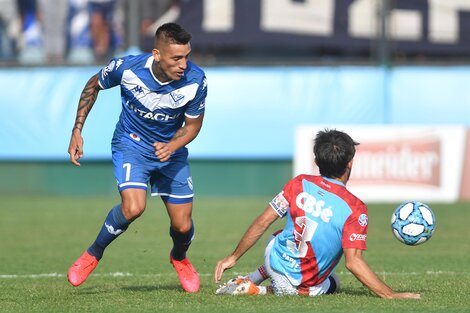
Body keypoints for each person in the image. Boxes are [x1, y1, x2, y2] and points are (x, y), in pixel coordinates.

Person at [67, 22, 207, 293]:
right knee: (133, 207)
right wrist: (77, 130)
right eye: (176, 58)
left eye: (187, 56)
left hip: (171, 152)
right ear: (157, 54)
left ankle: (179, 258)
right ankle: (93, 253)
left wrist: (173, 145)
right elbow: (92, 86)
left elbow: (193, 126)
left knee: (182, 224)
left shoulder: (196, 80)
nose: (183, 64)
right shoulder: (127, 68)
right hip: (131, 145)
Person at [214, 129, 421, 299]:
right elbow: (353, 262)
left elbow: (263, 222)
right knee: (328, 285)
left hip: (273, 257)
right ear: (350, 162)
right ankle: (256, 289)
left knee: (288, 237)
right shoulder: (355, 209)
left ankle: (256, 275)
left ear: (317, 160)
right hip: (301, 283)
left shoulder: (298, 183)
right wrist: (390, 294)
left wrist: (232, 257)